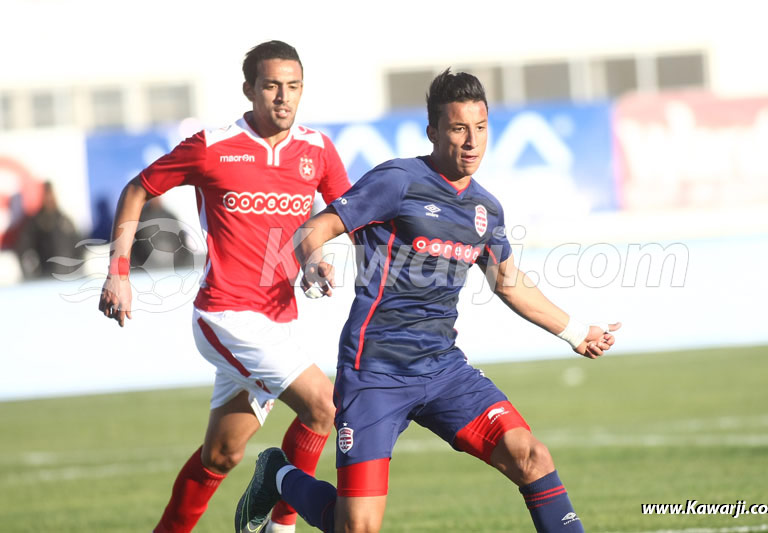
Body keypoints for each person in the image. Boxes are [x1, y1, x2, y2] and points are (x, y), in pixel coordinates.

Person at [235, 69, 621, 533]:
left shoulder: (486, 209)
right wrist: (314, 261)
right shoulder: (398, 180)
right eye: (458, 129)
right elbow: (312, 229)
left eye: (480, 129)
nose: (472, 141)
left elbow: (509, 283)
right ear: (433, 132)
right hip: (376, 371)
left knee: (531, 456)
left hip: (443, 370)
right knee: (355, 526)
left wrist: (577, 332)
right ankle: (277, 474)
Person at [98, 40, 351, 533]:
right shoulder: (212, 146)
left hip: (277, 322)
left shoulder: (317, 151)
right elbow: (137, 190)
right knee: (325, 405)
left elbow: (339, 217)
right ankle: (281, 526)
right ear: (249, 89)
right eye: (272, 86)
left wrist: (314, 257)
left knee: (222, 453)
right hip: (225, 313)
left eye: (293, 87)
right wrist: (118, 272)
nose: (283, 97)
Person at [15, 181, 82, 279]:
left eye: (51, 194)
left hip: (67, 278)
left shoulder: (64, 221)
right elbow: (22, 249)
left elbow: (80, 248)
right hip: (44, 279)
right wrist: (31, 273)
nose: (49, 198)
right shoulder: (35, 223)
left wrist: (74, 269)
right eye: (46, 195)